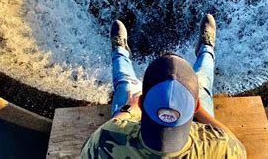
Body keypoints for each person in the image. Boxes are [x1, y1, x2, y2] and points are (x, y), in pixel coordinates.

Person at [81, 14, 246, 158]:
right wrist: (198, 109)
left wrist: (128, 109)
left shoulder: (106, 139)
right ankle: (207, 48)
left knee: (126, 84)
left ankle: (120, 51)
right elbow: (239, 148)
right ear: (195, 107)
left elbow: (87, 149)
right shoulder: (216, 145)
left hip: (138, 121)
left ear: (141, 103)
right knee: (201, 83)